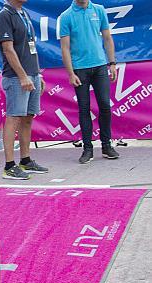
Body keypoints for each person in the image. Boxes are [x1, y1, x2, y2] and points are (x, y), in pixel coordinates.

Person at [60, 0, 120, 164]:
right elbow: (65, 47)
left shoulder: (99, 10)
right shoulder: (66, 16)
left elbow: (107, 37)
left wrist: (112, 63)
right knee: (84, 109)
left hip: (100, 66)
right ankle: (87, 149)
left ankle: (106, 146)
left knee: (105, 106)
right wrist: (71, 73)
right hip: (80, 69)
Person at [0, 0, 49, 180]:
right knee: (14, 118)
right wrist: (22, 76)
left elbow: (31, 46)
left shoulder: (23, 12)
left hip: (31, 74)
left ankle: (25, 160)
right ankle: (9, 166)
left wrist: (37, 74)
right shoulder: (4, 15)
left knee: (28, 118)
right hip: (15, 76)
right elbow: (8, 49)